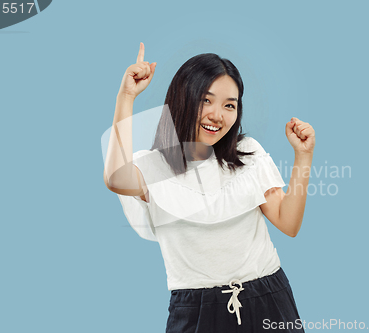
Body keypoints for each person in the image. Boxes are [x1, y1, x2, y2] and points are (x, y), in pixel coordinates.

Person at [103, 42, 316, 333]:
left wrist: (303, 156)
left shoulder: (247, 153)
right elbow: (116, 178)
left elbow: (289, 223)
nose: (218, 115)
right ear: (183, 98)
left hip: (269, 298)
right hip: (197, 310)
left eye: (230, 105)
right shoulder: (153, 167)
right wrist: (126, 96)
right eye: (206, 100)